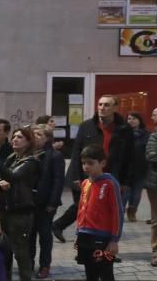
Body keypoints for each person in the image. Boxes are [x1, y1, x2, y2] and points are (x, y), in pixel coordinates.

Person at [53, 95, 132, 242]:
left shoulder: (124, 129)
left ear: (115, 108)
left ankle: (105, 245)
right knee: (84, 206)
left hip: (111, 176)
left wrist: (125, 181)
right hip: (85, 175)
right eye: (100, 104)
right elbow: (77, 152)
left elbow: (128, 157)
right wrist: (76, 176)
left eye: (107, 105)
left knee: (107, 210)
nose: (102, 108)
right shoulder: (87, 126)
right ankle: (74, 234)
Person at [64, 145, 122, 281]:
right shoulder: (85, 184)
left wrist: (114, 239)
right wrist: (78, 234)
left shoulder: (110, 184)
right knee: (90, 276)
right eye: (83, 163)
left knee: (106, 277)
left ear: (102, 163)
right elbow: (82, 209)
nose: (86, 167)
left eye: (91, 163)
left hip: (103, 239)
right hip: (86, 236)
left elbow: (117, 213)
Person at [0, 127, 40, 281]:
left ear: (28, 142)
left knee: (21, 253)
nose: (15, 140)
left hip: (21, 212)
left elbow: (12, 176)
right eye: (14, 137)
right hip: (6, 209)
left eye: (20, 137)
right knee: (4, 251)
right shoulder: (13, 158)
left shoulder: (31, 162)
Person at [30, 124, 65, 279]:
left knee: (44, 235)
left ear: (48, 138)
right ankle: (29, 263)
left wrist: (53, 202)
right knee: (29, 234)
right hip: (30, 201)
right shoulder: (29, 153)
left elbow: (58, 181)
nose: (35, 137)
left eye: (39, 135)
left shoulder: (55, 156)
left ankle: (45, 265)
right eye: (34, 134)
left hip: (46, 202)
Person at [125, 111, 148, 222]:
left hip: (140, 169)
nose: (131, 121)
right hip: (125, 169)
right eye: (129, 118)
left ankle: (132, 212)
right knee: (125, 193)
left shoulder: (146, 134)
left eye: (134, 118)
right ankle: (120, 212)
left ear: (139, 121)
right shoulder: (123, 133)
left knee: (136, 193)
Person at [144, 107, 157, 266]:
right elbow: (152, 156)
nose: (152, 116)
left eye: (155, 114)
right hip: (156, 184)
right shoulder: (154, 137)